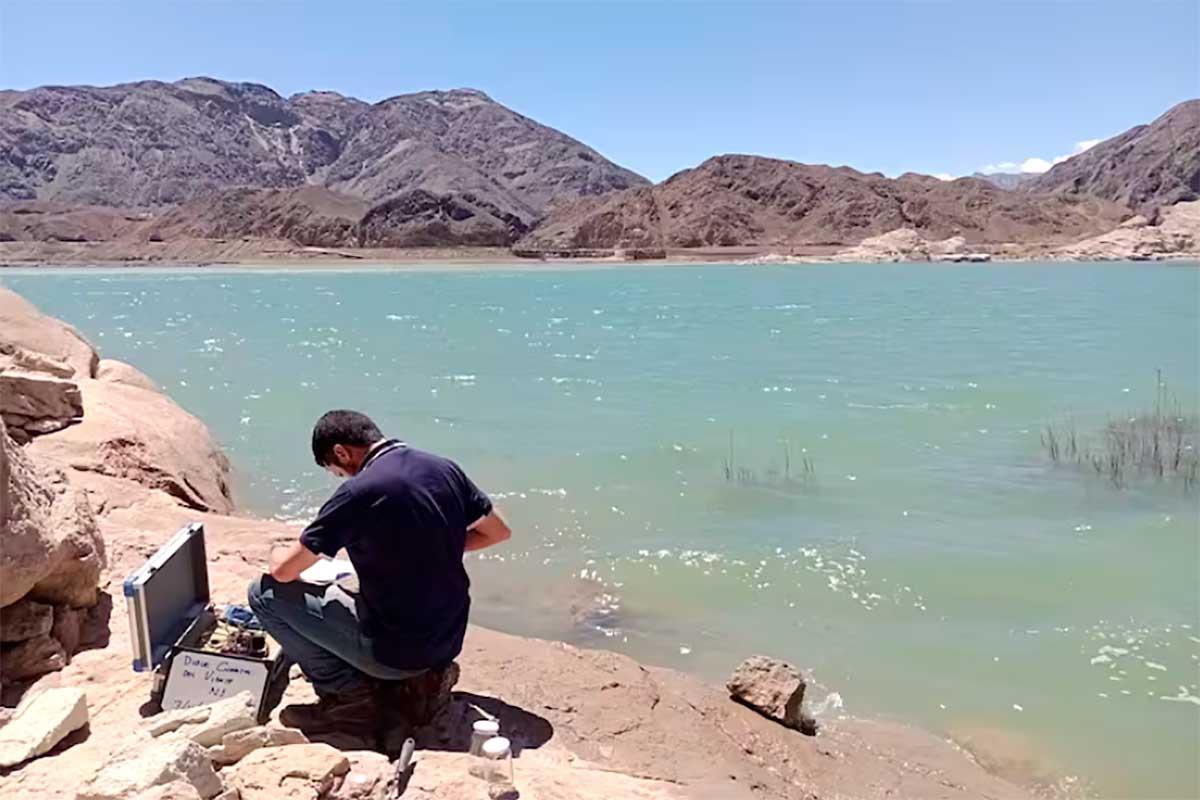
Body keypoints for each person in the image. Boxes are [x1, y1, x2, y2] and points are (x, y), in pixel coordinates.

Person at [247, 409, 511, 733]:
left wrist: (276, 552)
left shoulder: (359, 492)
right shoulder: (442, 468)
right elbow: (498, 532)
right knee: (354, 586)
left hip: (397, 653)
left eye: (335, 470)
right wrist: (435, 546)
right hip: (448, 639)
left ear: (341, 452)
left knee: (263, 594)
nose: (340, 478)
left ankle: (348, 699)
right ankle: (425, 679)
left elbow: (285, 572)